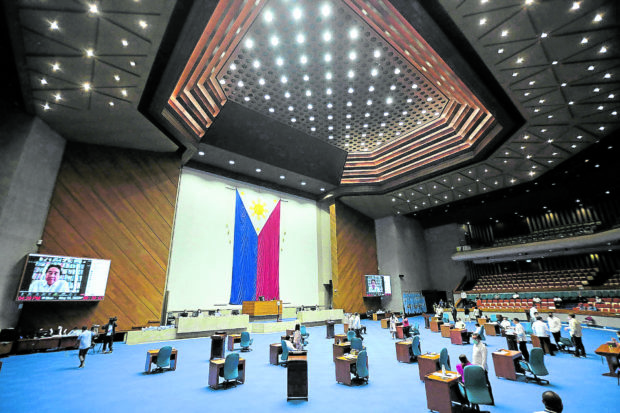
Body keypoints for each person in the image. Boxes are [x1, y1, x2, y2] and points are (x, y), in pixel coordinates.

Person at [471, 333, 494, 404]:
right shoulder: (474, 345)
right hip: (475, 368)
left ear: (479, 338)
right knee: (479, 385)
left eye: (475, 338)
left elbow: (484, 359)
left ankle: (491, 400)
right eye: (473, 338)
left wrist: (482, 369)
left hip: (482, 369)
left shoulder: (483, 347)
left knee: (486, 384)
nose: (473, 340)